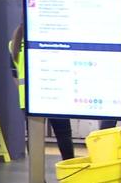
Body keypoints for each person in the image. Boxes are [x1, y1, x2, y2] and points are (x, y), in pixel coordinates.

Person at [9, 23, 75, 162]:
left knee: (34, 138)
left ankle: (36, 176)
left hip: (28, 99)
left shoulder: (13, 44)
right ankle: (70, 171)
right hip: (56, 96)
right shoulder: (51, 41)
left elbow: (14, 75)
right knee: (63, 135)